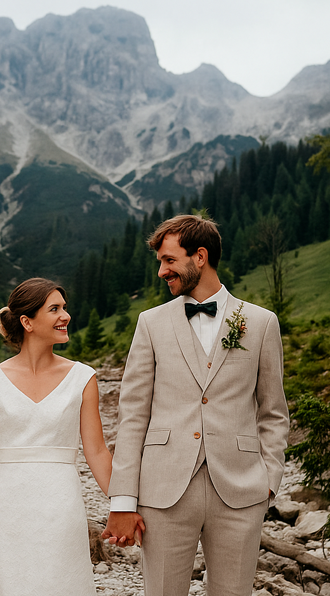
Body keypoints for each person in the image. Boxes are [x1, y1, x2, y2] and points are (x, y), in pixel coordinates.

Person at [102, 214, 289, 596]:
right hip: (163, 493)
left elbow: (274, 413)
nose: (161, 271)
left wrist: (268, 483)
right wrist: (123, 500)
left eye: (168, 260)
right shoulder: (150, 323)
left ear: (200, 256)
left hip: (241, 492)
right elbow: (133, 415)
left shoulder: (261, 322)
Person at [0, 277, 112, 595]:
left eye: (65, 308)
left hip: (62, 505)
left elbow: (97, 451)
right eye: (54, 309)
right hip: (7, 507)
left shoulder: (82, 377)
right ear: (27, 321)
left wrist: (123, 505)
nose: (65, 316)